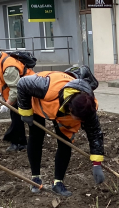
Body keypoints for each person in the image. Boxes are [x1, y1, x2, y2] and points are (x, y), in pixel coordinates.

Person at [16, 66, 106, 197]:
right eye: (79, 119)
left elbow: (95, 134)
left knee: (65, 143)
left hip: (63, 114)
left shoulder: (89, 108)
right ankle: (35, 178)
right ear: (70, 108)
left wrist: (97, 163)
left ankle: (58, 183)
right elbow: (22, 83)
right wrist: (25, 111)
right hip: (40, 103)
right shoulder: (45, 87)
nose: (81, 122)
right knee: (36, 136)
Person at [0, 44, 36, 152]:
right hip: (17, 93)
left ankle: (16, 141)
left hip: (27, 91)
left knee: (21, 118)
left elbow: (15, 89)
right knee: (16, 118)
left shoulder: (9, 66)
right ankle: (20, 143)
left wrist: (7, 104)